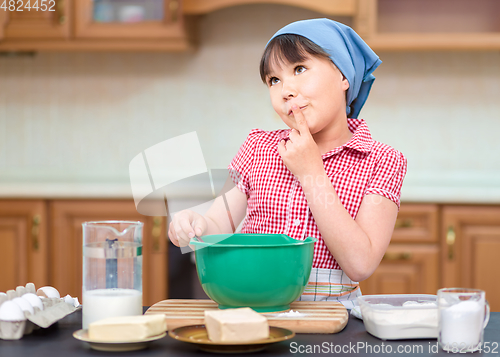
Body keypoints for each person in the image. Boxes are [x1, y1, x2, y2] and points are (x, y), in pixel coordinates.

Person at [168, 18, 407, 309]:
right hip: (255, 310)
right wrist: (196, 225)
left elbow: (360, 263)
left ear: (344, 76)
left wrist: (310, 172)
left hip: (331, 319)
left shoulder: (381, 160)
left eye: (300, 69)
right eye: (274, 80)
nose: (286, 90)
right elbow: (219, 223)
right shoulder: (258, 148)